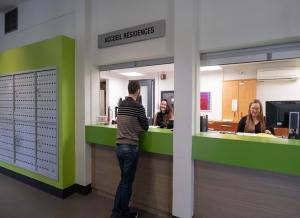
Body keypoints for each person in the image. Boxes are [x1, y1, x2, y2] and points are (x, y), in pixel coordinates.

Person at [111, 81, 149, 218]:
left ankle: (116, 211)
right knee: (127, 181)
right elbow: (145, 126)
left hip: (119, 147)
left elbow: (125, 122)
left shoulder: (121, 105)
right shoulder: (138, 106)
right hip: (130, 148)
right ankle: (125, 213)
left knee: (123, 179)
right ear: (138, 91)